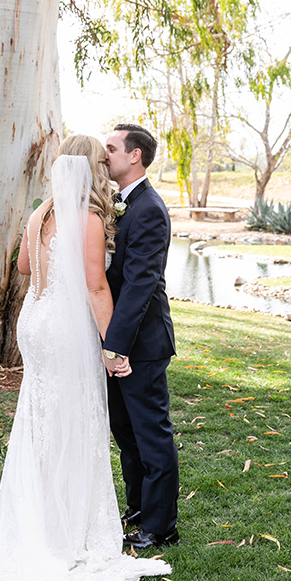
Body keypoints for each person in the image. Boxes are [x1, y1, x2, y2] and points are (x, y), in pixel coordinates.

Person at [0, 135, 171, 581]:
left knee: (42, 419)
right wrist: (112, 346)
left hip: (35, 323)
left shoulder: (41, 212)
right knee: (72, 420)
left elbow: (23, 266)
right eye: (100, 156)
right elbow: (96, 285)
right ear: (89, 169)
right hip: (65, 330)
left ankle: (46, 513)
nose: (107, 160)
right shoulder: (87, 217)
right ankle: (67, 527)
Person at [103, 124, 179, 549]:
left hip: (142, 344)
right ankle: (138, 508)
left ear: (135, 156)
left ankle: (161, 526)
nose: (105, 153)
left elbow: (140, 285)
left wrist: (115, 346)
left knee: (151, 433)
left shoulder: (148, 208)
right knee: (124, 429)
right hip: (117, 340)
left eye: (111, 148)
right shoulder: (118, 203)